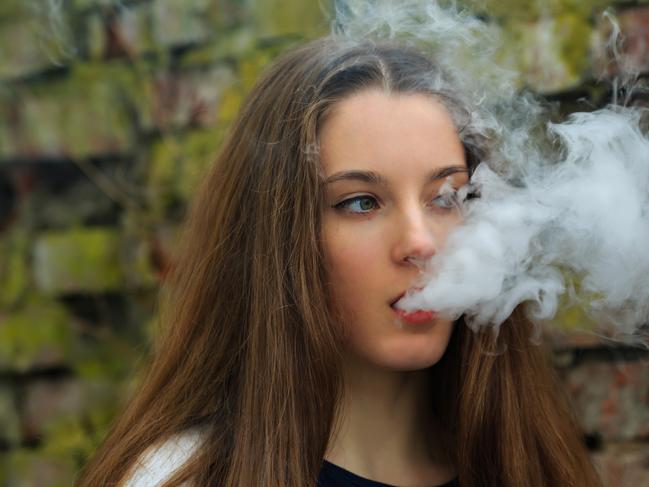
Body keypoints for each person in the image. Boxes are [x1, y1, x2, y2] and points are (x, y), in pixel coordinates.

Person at [76, 36, 603, 487]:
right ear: (279, 240)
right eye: (361, 203)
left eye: (446, 198)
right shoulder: (182, 478)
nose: (420, 243)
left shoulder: (530, 464)